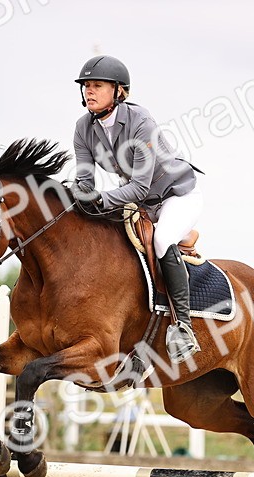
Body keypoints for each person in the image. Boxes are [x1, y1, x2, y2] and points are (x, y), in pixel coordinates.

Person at [72, 55, 204, 364]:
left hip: (177, 195)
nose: (89, 91)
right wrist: (76, 196)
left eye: (97, 85)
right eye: (86, 86)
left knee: (162, 239)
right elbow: (85, 180)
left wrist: (101, 199)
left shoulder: (141, 122)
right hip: (141, 204)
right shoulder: (83, 128)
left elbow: (141, 187)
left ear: (119, 90)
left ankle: (183, 327)